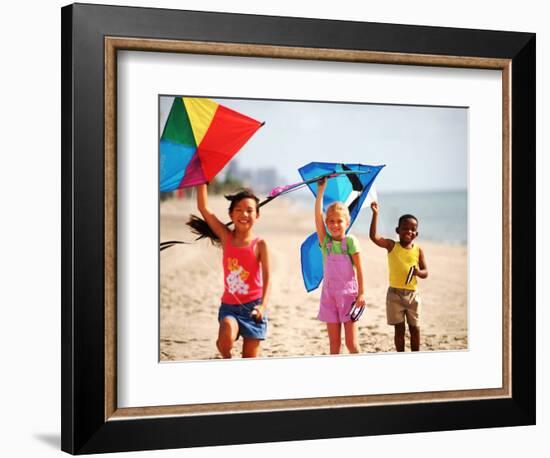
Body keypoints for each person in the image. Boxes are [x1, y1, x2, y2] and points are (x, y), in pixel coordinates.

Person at [188, 183, 271, 359]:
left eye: (249, 210)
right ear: (231, 214)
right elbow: (203, 207)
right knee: (226, 333)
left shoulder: (261, 244)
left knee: (249, 358)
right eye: (239, 210)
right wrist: (202, 180)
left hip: (253, 309)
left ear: (257, 215)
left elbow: (268, 279)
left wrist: (262, 306)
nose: (244, 214)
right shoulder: (226, 237)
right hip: (230, 308)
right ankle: (226, 356)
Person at [314, 177, 366, 355]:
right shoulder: (326, 242)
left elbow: (359, 269)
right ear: (327, 224)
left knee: (351, 344)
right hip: (329, 298)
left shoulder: (350, 241)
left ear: (347, 222)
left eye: (339, 221)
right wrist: (321, 191)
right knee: (334, 346)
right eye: (331, 221)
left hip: (348, 298)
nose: (335, 225)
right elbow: (317, 217)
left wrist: (361, 293)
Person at [369, 201, 428, 352]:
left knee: (415, 329)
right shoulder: (391, 246)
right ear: (397, 230)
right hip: (394, 295)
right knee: (399, 330)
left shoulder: (418, 250)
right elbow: (374, 237)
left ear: (417, 233)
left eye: (413, 229)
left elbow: (425, 272)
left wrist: (417, 273)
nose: (409, 231)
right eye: (405, 228)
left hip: (412, 295)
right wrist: (375, 214)